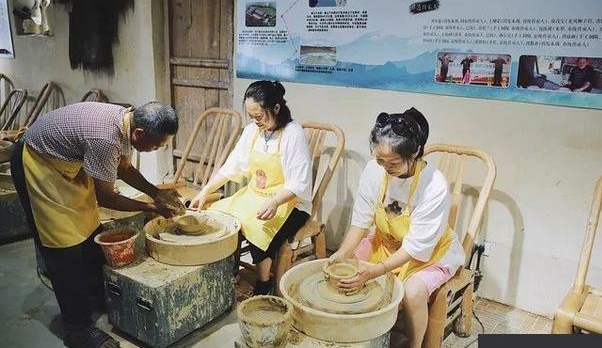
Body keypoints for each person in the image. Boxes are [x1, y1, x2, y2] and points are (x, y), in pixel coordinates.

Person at [10, 101, 181, 348]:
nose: (156, 149)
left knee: (91, 231)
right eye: (156, 145)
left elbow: (124, 168)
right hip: (38, 162)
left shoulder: (127, 121)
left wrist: (157, 193)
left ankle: (94, 296)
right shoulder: (106, 137)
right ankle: (76, 328)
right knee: (63, 247)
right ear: (139, 133)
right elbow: (107, 198)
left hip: (65, 163)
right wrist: (152, 207)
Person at [329, 108, 464, 348]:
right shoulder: (374, 171)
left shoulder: (434, 185)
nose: (385, 167)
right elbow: (361, 221)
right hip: (386, 242)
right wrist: (341, 254)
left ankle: (415, 343)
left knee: (412, 292)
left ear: (415, 152)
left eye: (393, 162)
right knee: (345, 268)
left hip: (428, 254)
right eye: (380, 159)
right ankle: (355, 332)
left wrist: (372, 272)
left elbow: (415, 248)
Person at [191, 80, 312, 295]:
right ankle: (230, 271)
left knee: (257, 227)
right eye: (251, 116)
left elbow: (299, 182)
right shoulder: (251, 132)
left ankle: (264, 283)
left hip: (288, 201)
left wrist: (275, 201)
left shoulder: (293, 133)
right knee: (220, 214)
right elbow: (231, 167)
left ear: (276, 108)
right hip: (255, 194)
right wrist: (204, 191)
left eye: (259, 116)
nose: (255, 121)